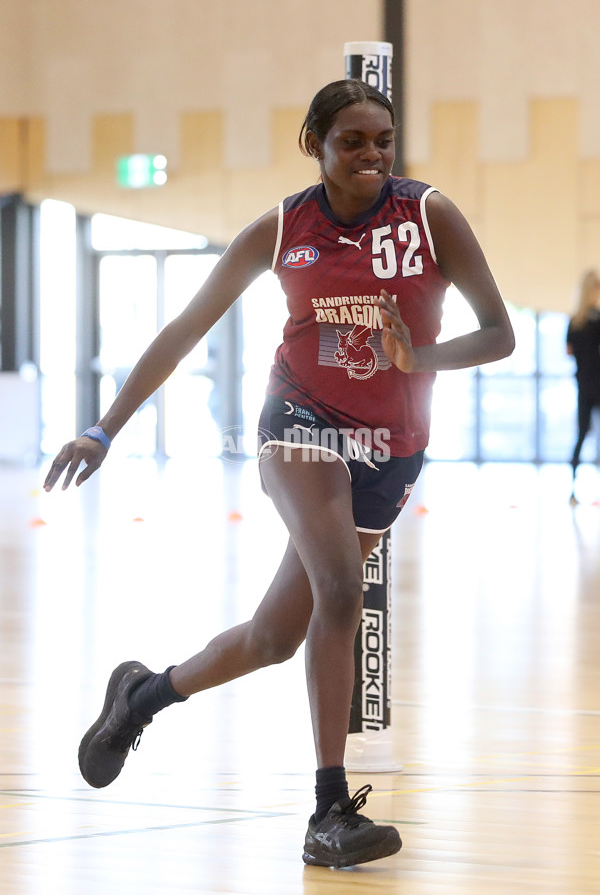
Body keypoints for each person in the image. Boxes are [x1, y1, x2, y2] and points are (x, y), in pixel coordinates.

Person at [43, 79, 515, 869]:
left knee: (273, 637)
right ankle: (329, 810)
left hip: (393, 447)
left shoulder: (429, 215)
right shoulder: (282, 228)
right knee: (340, 588)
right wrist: (104, 427)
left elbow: (499, 333)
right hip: (299, 424)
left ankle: (142, 695)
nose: (372, 155)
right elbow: (186, 326)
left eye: (384, 140)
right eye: (353, 141)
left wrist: (419, 358)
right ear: (315, 145)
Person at [567, 269, 600, 503]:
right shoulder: (596, 321)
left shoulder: (574, 322)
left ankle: (572, 491)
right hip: (595, 384)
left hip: (583, 384)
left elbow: (569, 351)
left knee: (581, 434)